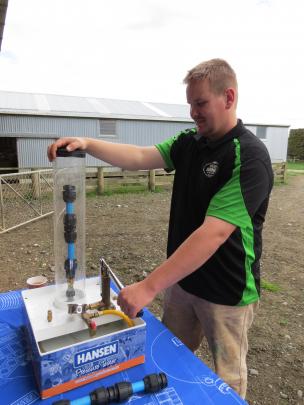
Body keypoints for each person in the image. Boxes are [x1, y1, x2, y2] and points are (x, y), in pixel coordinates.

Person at [48, 58, 273, 399]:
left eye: (200, 103)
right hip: (182, 283)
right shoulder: (189, 143)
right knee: (167, 361)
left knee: (228, 381)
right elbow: (139, 156)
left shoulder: (250, 156)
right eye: (190, 105)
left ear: (228, 98)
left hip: (228, 294)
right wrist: (88, 144)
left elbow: (213, 233)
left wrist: (149, 286)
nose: (193, 113)